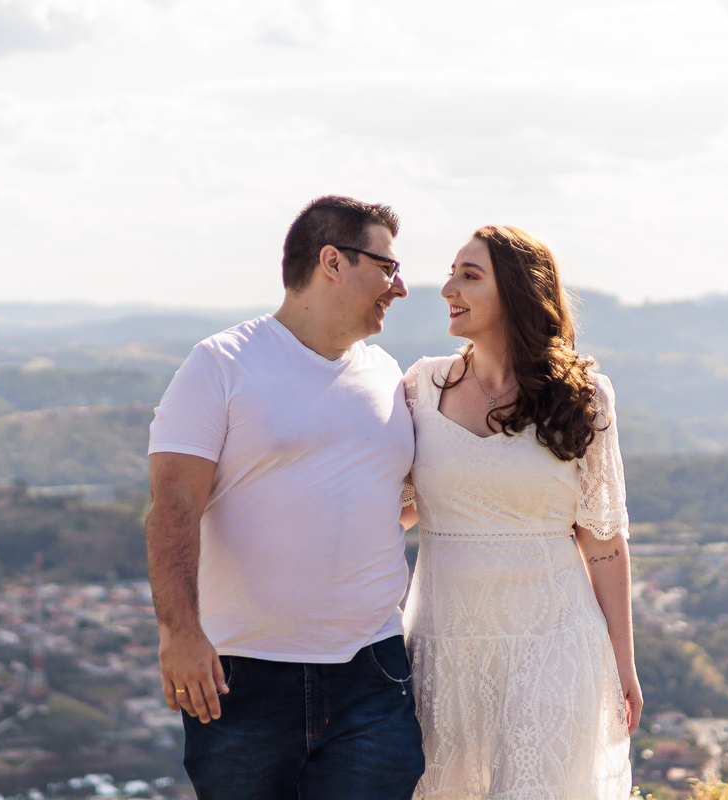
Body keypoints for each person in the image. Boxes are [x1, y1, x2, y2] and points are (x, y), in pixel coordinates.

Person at [144, 195, 425, 800]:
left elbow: (389, 501)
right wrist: (179, 632)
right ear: (332, 261)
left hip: (373, 673)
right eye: (387, 267)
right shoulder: (220, 364)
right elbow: (173, 508)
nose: (399, 287)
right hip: (243, 677)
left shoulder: (386, 374)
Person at [400, 225, 640, 800]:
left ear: (516, 291)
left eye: (469, 275)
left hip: (555, 641)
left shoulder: (584, 396)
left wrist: (623, 665)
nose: (448, 289)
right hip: (444, 648)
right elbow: (389, 513)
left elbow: (603, 540)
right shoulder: (419, 387)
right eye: (451, 273)